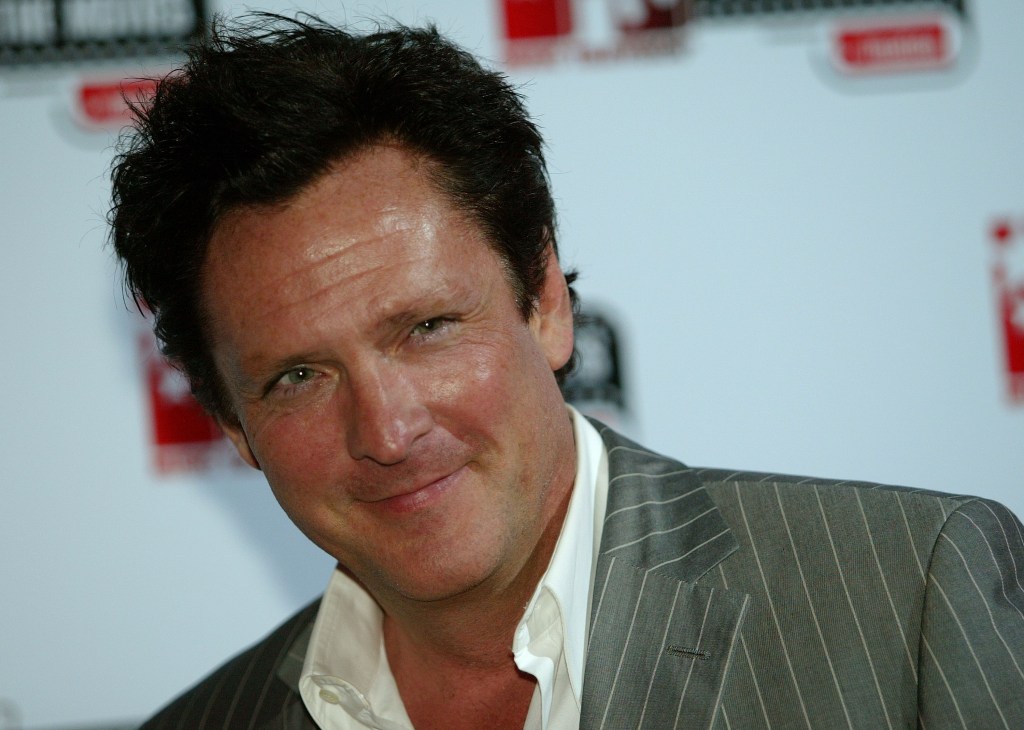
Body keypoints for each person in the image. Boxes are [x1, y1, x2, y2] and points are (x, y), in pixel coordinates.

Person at [110, 14, 1024, 730]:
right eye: (298, 378)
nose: (386, 432)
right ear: (232, 424)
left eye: (427, 327)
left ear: (544, 300)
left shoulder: (911, 600)